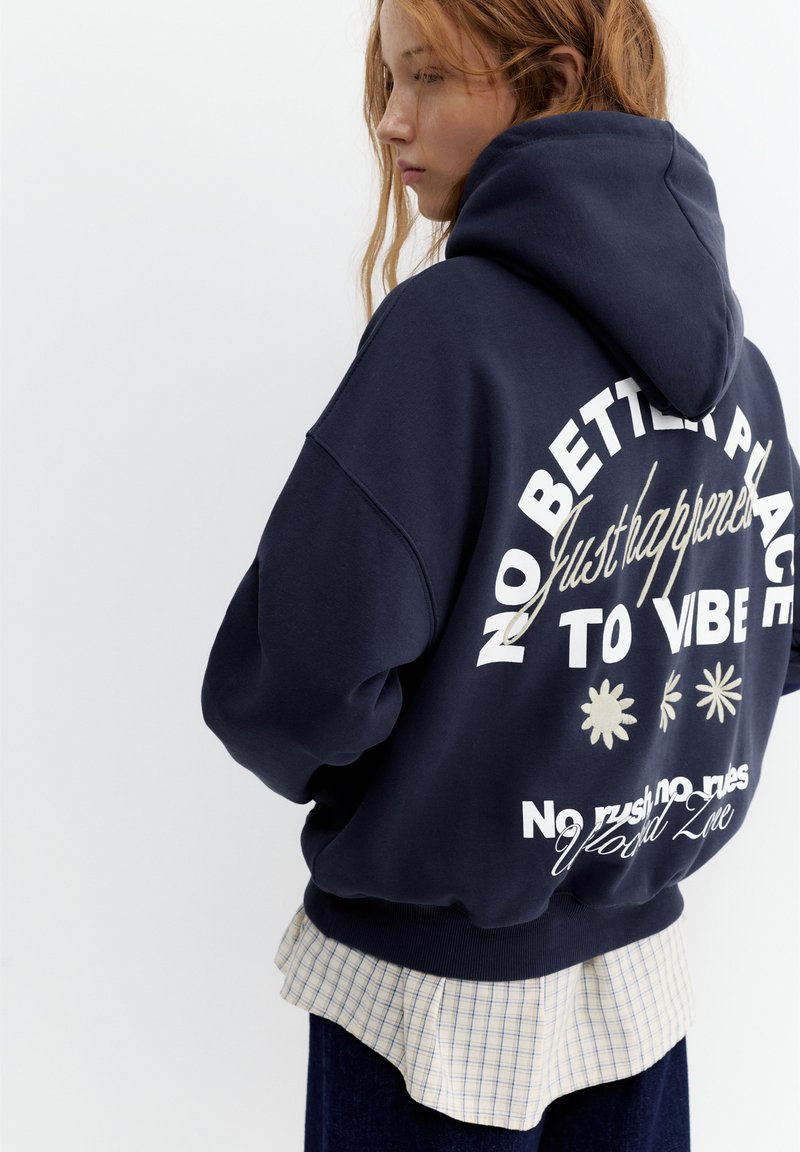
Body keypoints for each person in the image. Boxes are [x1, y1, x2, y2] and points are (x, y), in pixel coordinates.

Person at [200, 0, 800, 1147]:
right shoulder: (743, 370)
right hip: (638, 993)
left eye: (425, 77)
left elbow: (294, 687)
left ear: (552, 77)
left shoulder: (446, 338)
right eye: (387, 83)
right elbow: (773, 628)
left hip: (429, 1010)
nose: (389, 120)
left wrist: (452, 762)